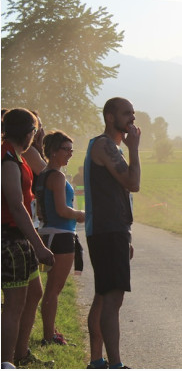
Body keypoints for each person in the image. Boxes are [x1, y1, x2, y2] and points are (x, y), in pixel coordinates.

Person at [84, 98, 141, 369]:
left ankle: (97, 361)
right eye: (126, 113)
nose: (132, 118)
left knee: (103, 295)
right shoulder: (105, 145)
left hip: (112, 229)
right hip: (108, 230)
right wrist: (135, 150)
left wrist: (126, 233)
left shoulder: (110, 146)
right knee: (112, 298)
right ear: (109, 117)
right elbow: (133, 183)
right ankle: (114, 365)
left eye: (133, 112)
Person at [1, 108, 55, 367]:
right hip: (10, 239)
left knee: (34, 292)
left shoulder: (17, 156)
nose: (36, 136)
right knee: (14, 304)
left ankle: (21, 354)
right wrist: (39, 245)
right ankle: (6, 361)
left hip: (21, 237)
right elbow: (15, 204)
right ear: (28, 132)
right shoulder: (8, 160)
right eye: (35, 131)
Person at [35, 131, 86, 345]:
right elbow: (63, 210)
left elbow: (39, 211)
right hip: (62, 235)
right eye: (66, 150)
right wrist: (82, 215)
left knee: (51, 289)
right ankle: (49, 336)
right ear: (54, 151)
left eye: (72, 150)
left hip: (47, 233)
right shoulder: (57, 176)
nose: (70, 154)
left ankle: (51, 331)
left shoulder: (43, 175)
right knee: (54, 289)